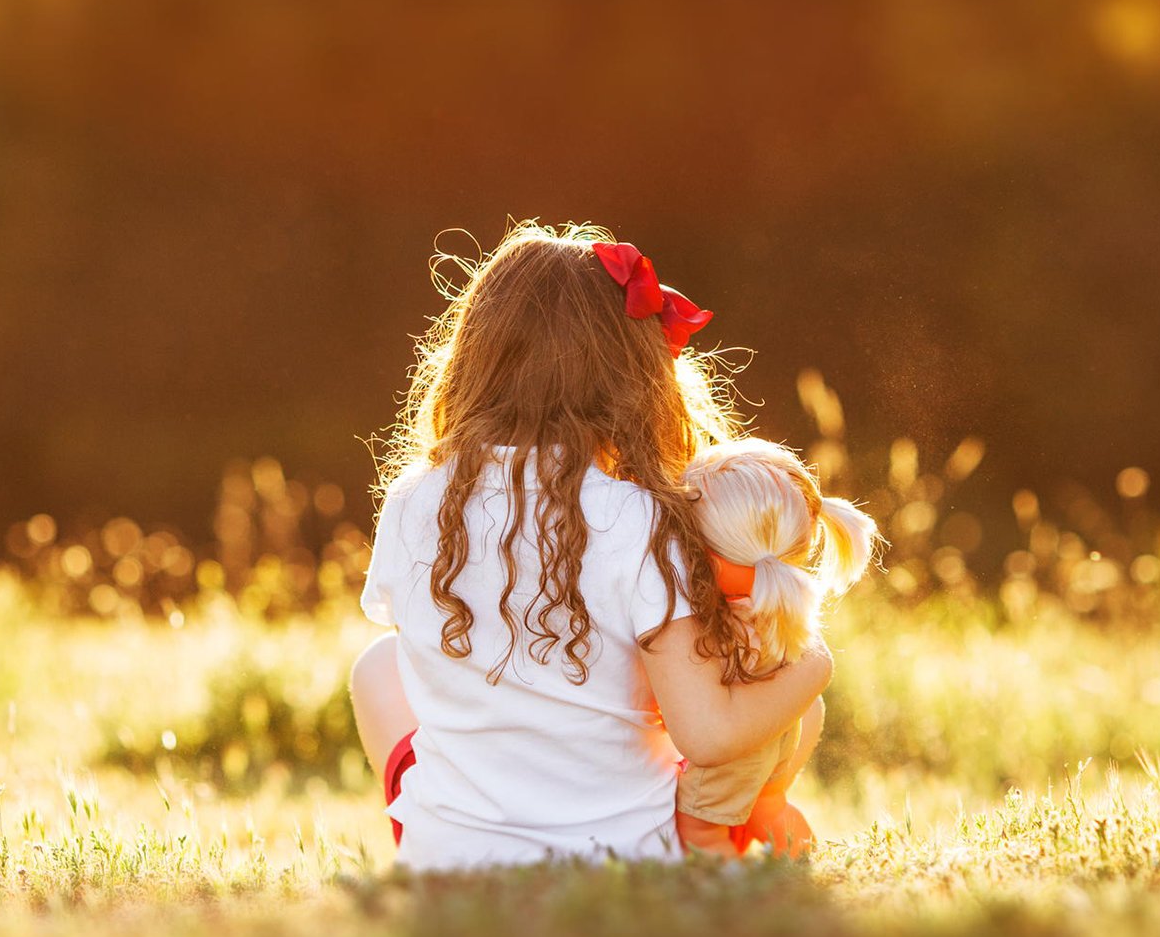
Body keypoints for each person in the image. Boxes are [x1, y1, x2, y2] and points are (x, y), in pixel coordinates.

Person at [348, 221, 834, 868]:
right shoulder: (638, 518)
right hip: (623, 853)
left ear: (476, 359)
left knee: (378, 667)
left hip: (450, 858)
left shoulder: (414, 497)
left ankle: (458, 835)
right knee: (779, 696)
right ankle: (719, 838)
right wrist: (815, 667)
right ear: (636, 380)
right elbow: (710, 735)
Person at [673, 439, 877, 857]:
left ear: (713, 555)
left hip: (740, 741)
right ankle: (805, 859)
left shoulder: (731, 616)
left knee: (699, 828)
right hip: (786, 726)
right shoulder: (774, 606)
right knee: (769, 807)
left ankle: (725, 896)